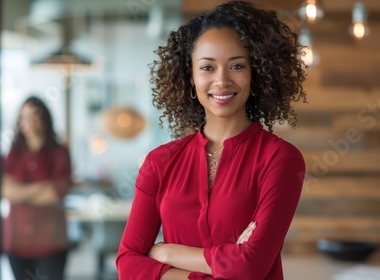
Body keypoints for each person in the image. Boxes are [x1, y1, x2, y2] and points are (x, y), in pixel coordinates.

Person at [116, 1, 307, 279]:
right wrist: (223, 263)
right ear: (190, 77)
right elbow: (127, 264)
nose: (222, 80)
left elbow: (250, 267)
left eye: (237, 66)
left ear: (256, 74)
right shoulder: (159, 163)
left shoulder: (281, 159)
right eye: (207, 67)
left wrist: (168, 253)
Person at [1, 96, 72, 280]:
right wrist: (42, 187)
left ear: (44, 119)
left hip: (50, 243)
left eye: (34, 116)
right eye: (23, 117)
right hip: (16, 242)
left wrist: (22, 192)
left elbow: (55, 193)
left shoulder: (59, 152)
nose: (28, 122)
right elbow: (7, 191)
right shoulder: (13, 153)